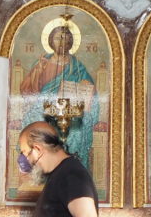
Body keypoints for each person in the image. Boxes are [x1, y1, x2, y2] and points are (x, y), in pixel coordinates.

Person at [19, 24, 98, 170]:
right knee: (36, 123)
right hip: (44, 105)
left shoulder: (76, 66)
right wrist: (38, 71)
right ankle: (41, 168)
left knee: (78, 129)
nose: (62, 42)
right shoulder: (43, 62)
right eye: (58, 38)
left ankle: (72, 167)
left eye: (67, 38)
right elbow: (28, 91)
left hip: (69, 106)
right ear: (50, 41)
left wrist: (86, 84)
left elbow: (89, 90)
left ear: (71, 42)